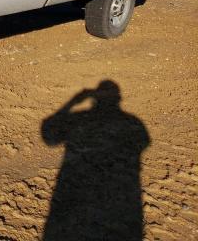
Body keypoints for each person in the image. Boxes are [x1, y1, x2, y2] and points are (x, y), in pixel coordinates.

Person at [41, 80, 150, 240]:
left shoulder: (79, 119)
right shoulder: (133, 123)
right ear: (118, 99)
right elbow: (144, 142)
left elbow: (48, 135)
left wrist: (72, 102)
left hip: (76, 205)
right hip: (117, 207)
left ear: (94, 98)